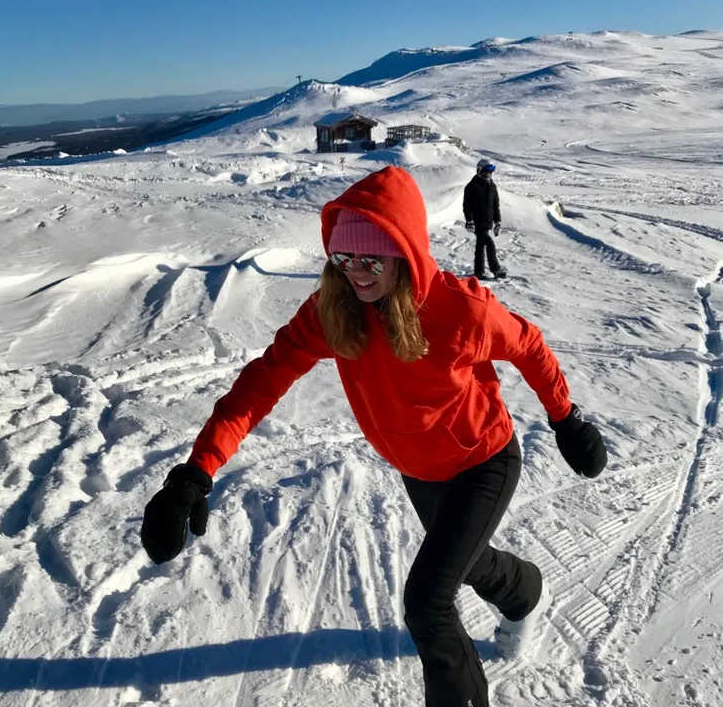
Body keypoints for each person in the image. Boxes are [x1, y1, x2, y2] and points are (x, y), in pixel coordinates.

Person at [141, 166, 608, 707]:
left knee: (428, 600)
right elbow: (263, 380)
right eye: (344, 259)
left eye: (371, 259)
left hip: (483, 459)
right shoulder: (332, 311)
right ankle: (525, 593)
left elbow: (529, 345)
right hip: (419, 468)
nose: (356, 273)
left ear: (404, 254)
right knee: (468, 563)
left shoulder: (462, 312)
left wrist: (565, 419)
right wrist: (198, 469)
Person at [463, 159, 505, 280]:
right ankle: (495, 269)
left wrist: (498, 222)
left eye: (491, 172)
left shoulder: (492, 186)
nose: (488, 174)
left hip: (488, 222)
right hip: (477, 223)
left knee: (480, 246)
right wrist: (469, 221)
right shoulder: (472, 186)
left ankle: (479, 271)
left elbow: (495, 206)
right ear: (479, 170)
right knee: (490, 244)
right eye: (486, 171)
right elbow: (467, 206)